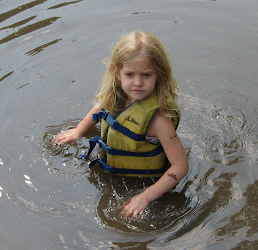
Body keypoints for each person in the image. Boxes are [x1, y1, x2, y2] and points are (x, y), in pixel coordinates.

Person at [53, 31, 189, 218]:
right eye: (130, 74)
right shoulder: (116, 94)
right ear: (117, 73)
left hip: (144, 183)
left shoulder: (159, 120)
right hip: (111, 171)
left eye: (146, 75)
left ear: (159, 74)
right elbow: (99, 109)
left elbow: (180, 166)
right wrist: (78, 131)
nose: (137, 82)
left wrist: (145, 197)